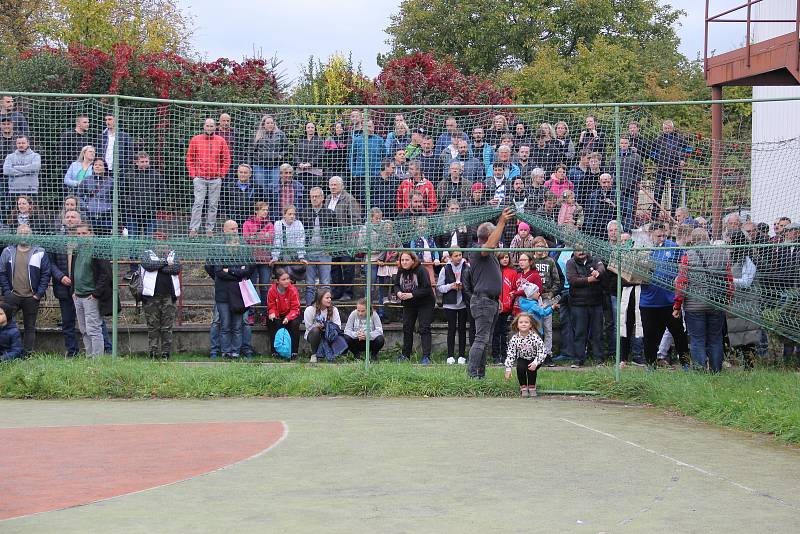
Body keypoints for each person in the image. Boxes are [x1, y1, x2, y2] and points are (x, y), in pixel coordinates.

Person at [464, 208, 514, 378]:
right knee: (480, 339)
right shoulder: (478, 250)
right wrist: (501, 222)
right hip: (483, 302)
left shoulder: (490, 253)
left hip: (490, 301)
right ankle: (471, 376)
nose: (498, 239)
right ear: (489, 236)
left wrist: (496, 298)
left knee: (484, 341)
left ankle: (480, 376)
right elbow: (490, 245)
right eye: (496, 235)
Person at [673, 228, 732, 372]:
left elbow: (682, 283)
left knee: (697, 340)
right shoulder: (722, 254)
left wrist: (677, 305)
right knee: (715, 339)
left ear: (693, 240)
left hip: (694, 306)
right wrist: (728, 302)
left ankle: (699, 371)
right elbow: (729, 281)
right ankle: (716, 371)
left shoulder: (688, 256)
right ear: (708, 237)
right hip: (716, 304)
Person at [640, 222, 690, 367]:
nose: (662, 238)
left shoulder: (673, 247)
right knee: (650, 336)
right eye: (658, 235)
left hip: (669, 301)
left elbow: (684, 264)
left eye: (664, 235)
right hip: (648, 301)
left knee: (679, 333)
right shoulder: (643, 250)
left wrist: (679, 276)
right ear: (650, 235)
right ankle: (650, 365)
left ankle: (685, 364)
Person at [0, 224, 50, 355]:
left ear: (31, 235)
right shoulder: (7, 251)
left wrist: (38, 294)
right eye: (20, 232)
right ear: (16, 235)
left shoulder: (40, 252)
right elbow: (2, 273)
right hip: (12, 296)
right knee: (4, 323)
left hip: (31, 297)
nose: (23, 235)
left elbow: (46, 274)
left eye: (26, 232)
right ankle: (6, 353)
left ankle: (27, 354)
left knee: (30, 327)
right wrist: (6, 292)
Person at [70, 223, 113, 356]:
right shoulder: (76, 250)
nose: (81, 236)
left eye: (84, 233)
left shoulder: (98, 250)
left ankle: (97, 360)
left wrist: (96, 294)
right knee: (83, 329)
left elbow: (105, 274)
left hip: (90, 296)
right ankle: (89, 357)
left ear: (91, 234)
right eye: (78, 234)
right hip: (78, 295)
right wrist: (73, 291)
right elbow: (73, 272)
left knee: (94, 329)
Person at [186, 118, 232, 237]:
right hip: (200, 178)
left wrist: (221, 173)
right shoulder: (196, 140)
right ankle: (194, 228)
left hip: (215, 179)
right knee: (198, 203)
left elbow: (227, 159)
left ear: (215, 127)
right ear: (204, 126)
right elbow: (190, 158)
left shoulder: (221, 140)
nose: (210, 128)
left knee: (213, 204)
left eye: (212, 126)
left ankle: (209, 229)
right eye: (208, 125)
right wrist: (193, 174)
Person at [139, 239, 182, 359]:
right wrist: (165, 263)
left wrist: (159, 266)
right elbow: (149, 266)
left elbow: (176, 268)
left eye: (164, 243)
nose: (162, 246)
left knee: (167, 326)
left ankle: (165, 353)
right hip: (151, 297)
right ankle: (153, 352)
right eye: (159, 243)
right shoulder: (147, 253)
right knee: (153, 326)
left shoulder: (174, 254)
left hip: (169, 297)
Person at [393, 251, 436, 364]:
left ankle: (426, 357)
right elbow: (396, 284)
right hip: (408, 303)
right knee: (407, 328)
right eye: (402, 260)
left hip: (425, 302)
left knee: (424, 328)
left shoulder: (421, 270)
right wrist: (398, 293)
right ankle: (405, 355)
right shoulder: (400, 270)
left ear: (413, 260)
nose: (404, 262)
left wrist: (412, 294)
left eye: (407, 260)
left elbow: (427, 289)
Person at [566, 247, 606, 367]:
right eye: (578, 249)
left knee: (597, 332)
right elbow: (573, 280)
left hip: (596, 302)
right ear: (573, 251)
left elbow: (602, 268)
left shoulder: (595, 259)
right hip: (578, 303)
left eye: (583, 248)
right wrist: (590, 279)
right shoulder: (570, 263)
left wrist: (598, 273)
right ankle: (578, 360)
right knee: (579, 332)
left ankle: (599, 359)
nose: (581, 251)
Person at [212, 250, 253, 360]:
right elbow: (219, 272)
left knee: (237, 326)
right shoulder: (219, 254)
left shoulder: (243, 255)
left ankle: (235, 352)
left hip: (239, 296)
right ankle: (226, 352)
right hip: (222, 296)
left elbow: (247, 272)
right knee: (225, 325)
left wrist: (229, 270)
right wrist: (237, 274)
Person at [327, 176, 361, 301]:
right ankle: (337, 291)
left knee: (347, 267)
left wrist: (353, 238)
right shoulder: (328, 199)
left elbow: (356, 220)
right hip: (333, 239)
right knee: (335, 266)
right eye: (331, 185)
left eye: (336, 184)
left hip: (347, 240)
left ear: (342, 186)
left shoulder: (349, 199)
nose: (333, 187)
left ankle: (348, 292)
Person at [302, 187, 336, 306]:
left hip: (324, 253)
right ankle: (309, 310)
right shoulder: (304, 213)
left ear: (322, 198)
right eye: (312, 197)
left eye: (317, 196)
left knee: (325, 284)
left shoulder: (330, 213)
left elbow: (335, 233)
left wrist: (330, 249)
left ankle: (325, 310)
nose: (314, 199)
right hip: (309, 253)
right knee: (309, 284)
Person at [437, 249, 471, 365]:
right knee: (451, 329)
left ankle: (462, 355)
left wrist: (464, 286)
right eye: (455, 255)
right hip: (450, 304)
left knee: (462, 329)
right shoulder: (445, 268)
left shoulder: (467, 267)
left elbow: (472, 283)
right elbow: (439, 287)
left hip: (463, 302)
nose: (458, 257)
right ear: (450, 257)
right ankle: (450, 355)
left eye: (460, 255)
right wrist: (451, 286)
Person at [242, 201, 274, 321]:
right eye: (263, 209)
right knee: (251, 286)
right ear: (256, 210)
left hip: (265, 259)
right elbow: (246, 239)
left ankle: (264, 313)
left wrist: (255, 237)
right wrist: (263, 236)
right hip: (252, 259)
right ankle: (251, 314)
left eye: (267, 210)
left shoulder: (270, 224)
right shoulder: (247, 223)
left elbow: (270, 239)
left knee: (265, 286)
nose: (265, 212)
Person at [530, 242, 562, 360]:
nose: (539, 249)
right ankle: (534, 352)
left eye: (542, 246)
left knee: (548, 327)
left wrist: (551, 294)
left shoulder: (550, 261)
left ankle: (547, 353)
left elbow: (556, 280)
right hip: (533, 298)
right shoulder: (531, 260)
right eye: (537, 246)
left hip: (547, 297)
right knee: (535, 325)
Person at [504, 313, 547, 397]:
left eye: (526, 322)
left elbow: (542, 351)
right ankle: (523, 387)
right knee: (520, 367)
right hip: (522, 358)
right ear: (517, 325)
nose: (523, 324)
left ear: (530, 325)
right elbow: (511, 354)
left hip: (535, 359)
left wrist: (536, 362)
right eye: (521, 322)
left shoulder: (535, 337)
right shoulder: (514, 339)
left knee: (531, 368)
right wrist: (508, 369)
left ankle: (532, 387)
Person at [651, 120, 688, 218]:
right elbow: (652, 152)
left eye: (669, 128)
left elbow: (688, 149)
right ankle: (654, 216)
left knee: (675, 193)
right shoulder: (658, 139)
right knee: (658, 192)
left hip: (676, 169)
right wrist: (657, 160)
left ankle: (673, 216)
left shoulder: (679, 138)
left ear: (672, 128)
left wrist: (683, 159)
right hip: (662, 169)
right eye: (665, 128)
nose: (667, 130)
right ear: (662, 129)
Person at [267, 267, 302, 359]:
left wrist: (288, 318)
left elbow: (296, 308)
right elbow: (271, 306)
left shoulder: (293, 290)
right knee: (273, 322)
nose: (287, 281)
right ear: (277, 281)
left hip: (291, 314)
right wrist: (272, 313)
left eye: (288, 279)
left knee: (294, 323)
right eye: (284, 279)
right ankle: (275, 351)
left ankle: (294, 352)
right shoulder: (272, 290)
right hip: (278, 314)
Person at [302, 288, 342, 363]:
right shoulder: (310, 310)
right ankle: (314, 354)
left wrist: (327, 327)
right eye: (327, 298)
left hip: (329, 335)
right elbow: (308, 327)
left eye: (330, 298)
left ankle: (330, 354)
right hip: (314, 335)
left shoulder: (334, 310)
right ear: (320, 299)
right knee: (315, 330)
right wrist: (317, 326)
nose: (329, 300)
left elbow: (338, 326)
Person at [492, 251, 518, 365]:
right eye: (502, 258)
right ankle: (496, 356)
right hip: (496, 307)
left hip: (508, 307)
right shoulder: (494, 271)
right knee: (496, 332)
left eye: (507, 257)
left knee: (504, 332)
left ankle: (505, 355)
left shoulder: (513, 272)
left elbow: (514, 288)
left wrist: (511, 303)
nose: (505, 260)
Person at [76, 158, 113, 235]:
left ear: (105, 168)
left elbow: (116, 198)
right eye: (95, 165)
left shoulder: (111, 182)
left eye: (100, 165)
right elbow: (79, 195)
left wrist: (110, 207)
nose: (97, 166)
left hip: (106, 216)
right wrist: (86, 206)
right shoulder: (86, 180)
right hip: (90, 215)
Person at [250, 114, 288, 189]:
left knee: (275, 188)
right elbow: (251, 151)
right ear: (263, 124)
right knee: (261, 188)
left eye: (272, 123)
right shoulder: (257, 135)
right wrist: (253, 161)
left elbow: (286, 148)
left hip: (275, 166)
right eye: (268, 123)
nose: (270, 125)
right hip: (259, 166)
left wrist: (280, 156)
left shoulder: (280, 134)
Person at [271, 205, 306, 280]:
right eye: (290, 214)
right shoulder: (278, 224)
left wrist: (301, 257)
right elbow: (277, 241)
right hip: (282, 256)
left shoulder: (299, 224)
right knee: (283, 277)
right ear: (284, 215)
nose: (292, 216)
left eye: (294, 214)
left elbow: (300, 241)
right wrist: (275, 257)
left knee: (292, 278)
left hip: (294, 256)